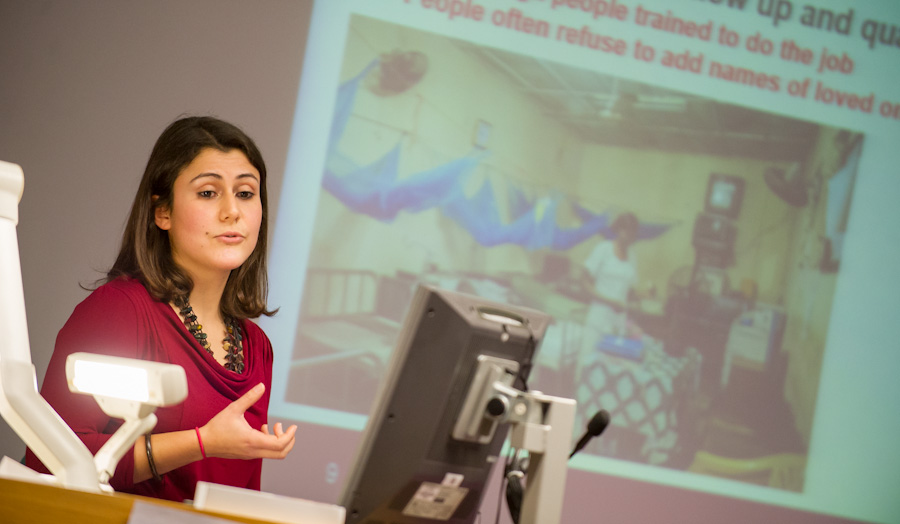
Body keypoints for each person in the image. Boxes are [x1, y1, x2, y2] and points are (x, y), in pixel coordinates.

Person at [25, 116, 297, 502]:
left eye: (246, 193)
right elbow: (48, 462)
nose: (232, 211)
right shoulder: (119, 311)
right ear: (162, 212)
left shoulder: (256, 346)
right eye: (208, 193)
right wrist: (201, 442)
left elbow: (237, 500)